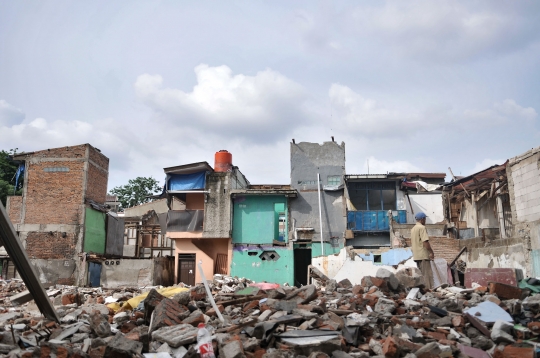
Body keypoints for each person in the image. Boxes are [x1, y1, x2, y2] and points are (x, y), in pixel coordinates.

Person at [410, 212, 435, 289]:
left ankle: (423, 291)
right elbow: (425, 242)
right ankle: (428, 291)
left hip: (416, 256)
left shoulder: (413, 229)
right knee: (427, 275)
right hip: (423, 255)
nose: (425, 221)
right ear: (422, 219)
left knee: (421, 275)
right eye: (425, 219)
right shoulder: (422, 228)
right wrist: (431, 252)